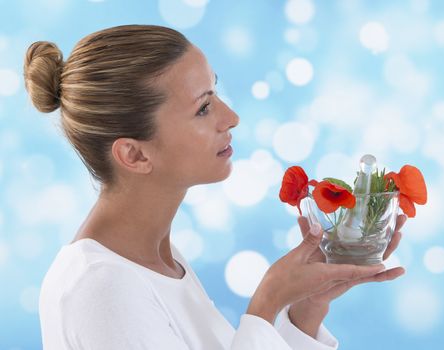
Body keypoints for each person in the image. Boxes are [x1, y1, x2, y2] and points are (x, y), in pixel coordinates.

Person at [24, 24, 406, 350]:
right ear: (135, 155)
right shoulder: (102, 289)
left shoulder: (159, 262)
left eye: (215, 93)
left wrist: (306, 309)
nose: (231, 117)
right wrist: (266, 302)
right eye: (203, 108)